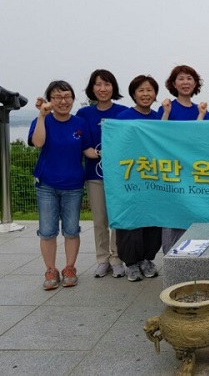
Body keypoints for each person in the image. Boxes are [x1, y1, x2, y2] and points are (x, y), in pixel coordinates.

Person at [29, 80, 97, 290]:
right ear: (50, 100)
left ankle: (69, 268)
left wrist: (107, 152)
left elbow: (87, 150)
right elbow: (38, 143)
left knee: (71, 230)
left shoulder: (79, 123)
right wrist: (42, 115)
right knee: (47, 231)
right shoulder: (42, 120)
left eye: (67, 96)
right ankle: (50, 269)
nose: (63, 101)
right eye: (57, 97)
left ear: (73, 99)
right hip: (47, 184)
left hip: (73, 185)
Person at [76, 70, 128, 278]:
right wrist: (91, 151)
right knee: (99, 219)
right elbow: (82, 142)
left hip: (119, 175)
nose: (103, 89)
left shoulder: (123, 112)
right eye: (98, 84)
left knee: (117, 219)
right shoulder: (84, 114)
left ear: (113, 87)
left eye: (107, 84)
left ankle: (117, 258)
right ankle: (102, 259)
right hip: (94, 173)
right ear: (92, 88)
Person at [115, 75, 162, 281]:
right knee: (130, 220)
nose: (145, 94)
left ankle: (147, 259)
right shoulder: (122, 118)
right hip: (129, 177)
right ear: (133, 93)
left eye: (149, 90)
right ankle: (131, 263)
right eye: (141, 90)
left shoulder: (159, 119)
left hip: (153, 177)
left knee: (152, 219)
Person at [157, 65, 203, 254]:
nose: (185, 82)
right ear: (173, 83)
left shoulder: (200, 109)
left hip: (193, 170)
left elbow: (200, 138)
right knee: (172, 214)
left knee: (191, 212)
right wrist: (166, 113)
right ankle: (170, 256)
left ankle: (191, 253)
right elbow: (158, 136)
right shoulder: (168, 107)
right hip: (172, 170)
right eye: (181, 79)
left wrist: (201, 115)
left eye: (189, 78)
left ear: (195, 83)